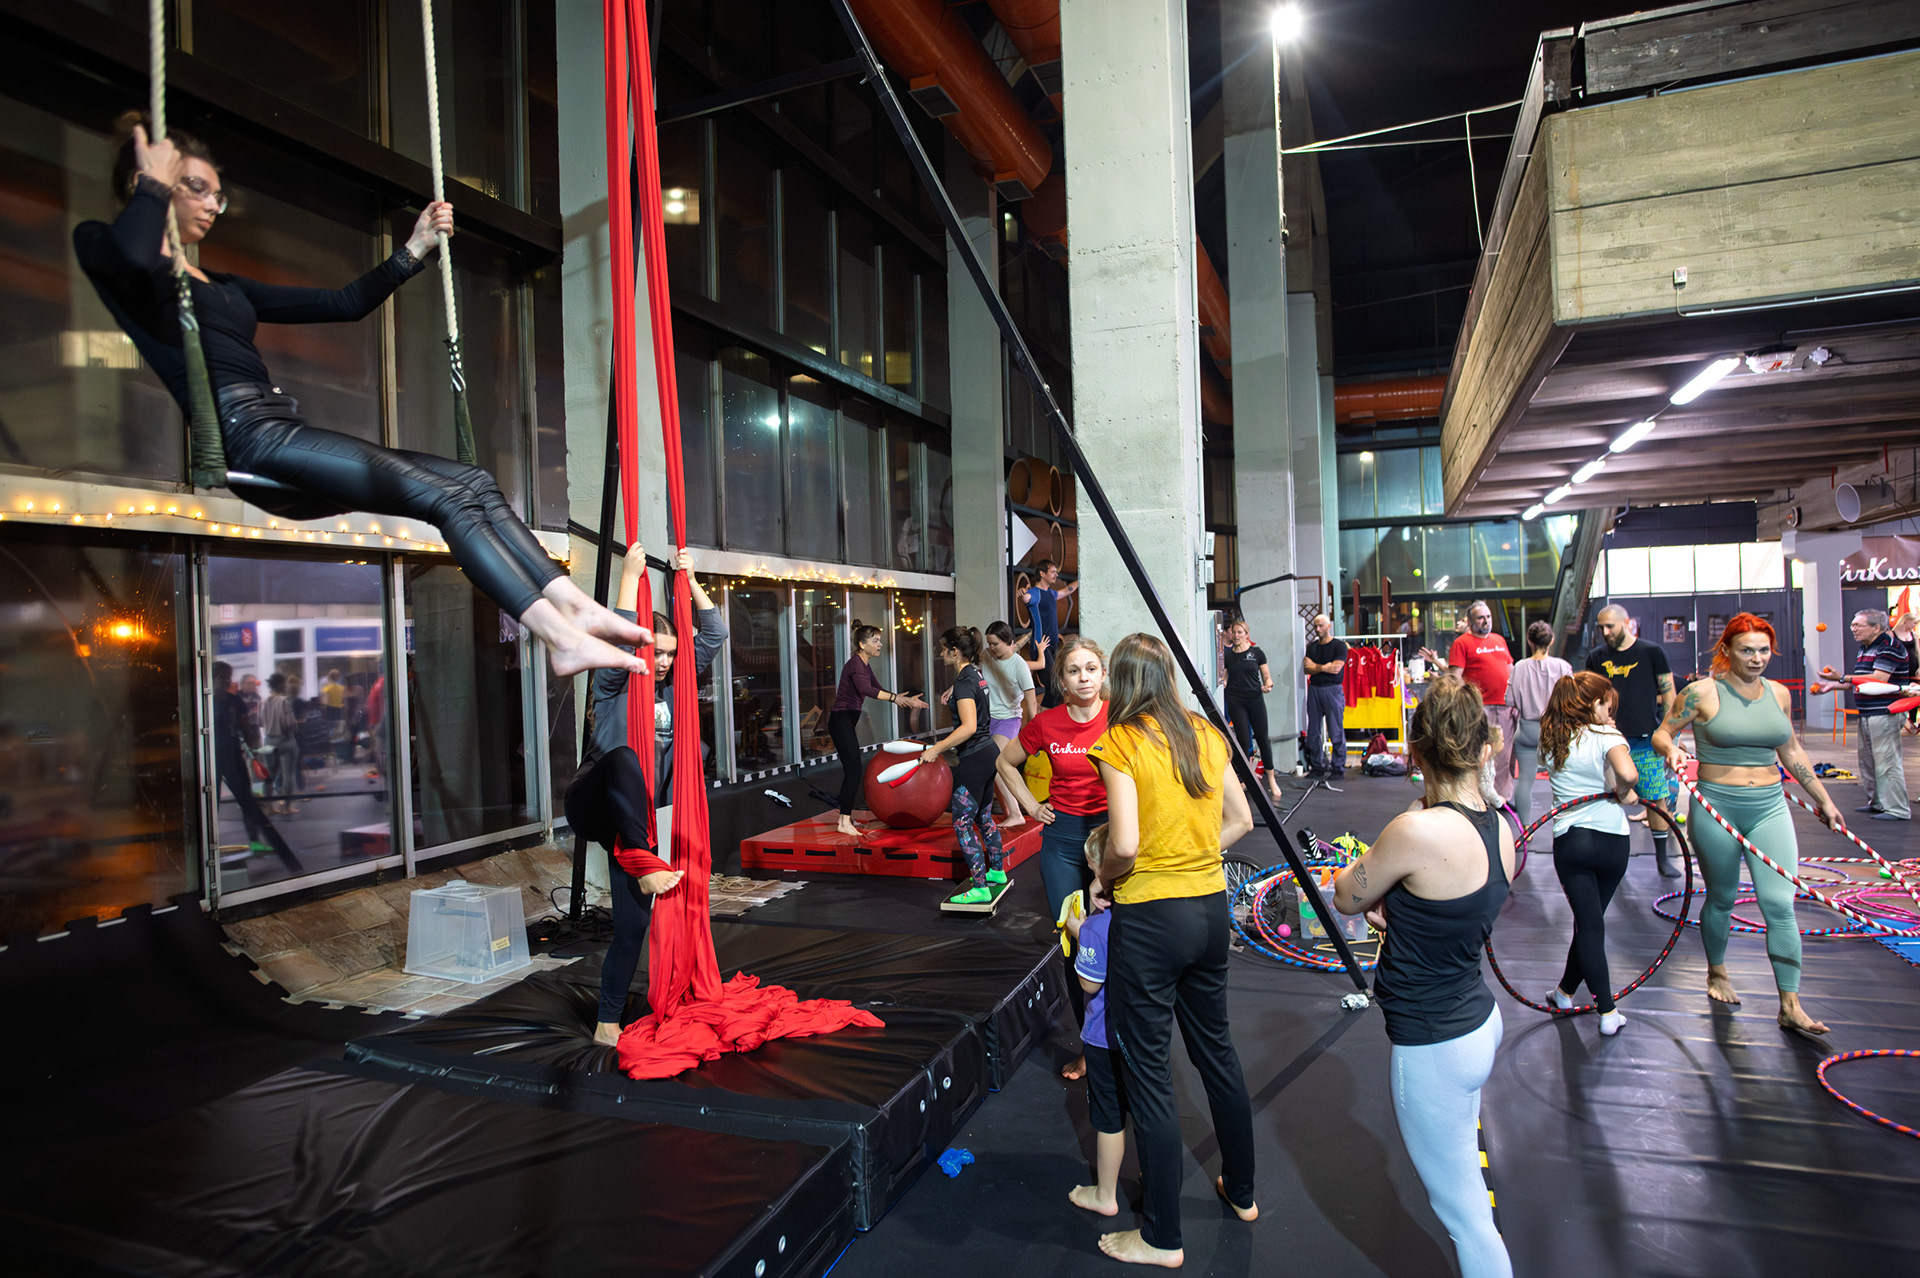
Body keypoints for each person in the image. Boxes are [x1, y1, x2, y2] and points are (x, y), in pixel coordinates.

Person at [74, 114, 647, 679]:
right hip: (247, 439)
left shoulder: (224, 287)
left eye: (217, 196)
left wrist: (415, 248)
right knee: (447, 499)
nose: (211, 206)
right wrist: (152, 184)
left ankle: (573, 605)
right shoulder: (114, 254)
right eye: (196, 188)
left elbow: (343, 303)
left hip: (281, 429)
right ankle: (559, 638)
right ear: (148, 180)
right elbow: (132, 253)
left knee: (474, 482)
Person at [1331, 674, 1514, 1278]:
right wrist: (1403, 912)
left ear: (1416, 752)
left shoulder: (1414, 830)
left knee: (1466, 1217)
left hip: (1435, 1044)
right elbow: (1453, 911)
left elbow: (1347, 896)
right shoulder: (1503, 828)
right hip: (1479, 1020)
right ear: (1483, 749)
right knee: (1465, 1182)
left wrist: (1406, 827)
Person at [1086, 633, 1257, 1267]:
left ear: (1120, 682)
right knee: (1217, 1052)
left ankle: (1160, 1236)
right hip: (1210, 910)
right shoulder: (1206, 734)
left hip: (1152, 918)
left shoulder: (1120, 740)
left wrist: (1104, 880)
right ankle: (1242, 1193)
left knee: (1150, 1074)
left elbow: (1125, 844)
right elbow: (1241, 819)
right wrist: (1193, 853)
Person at [1657, 614, 1846, 1036]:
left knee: (1779, 903)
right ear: (1727, 650)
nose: (1757, 658)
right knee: (1722, 897)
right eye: (1747, 650)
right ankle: (1717, 971)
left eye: (1764, 650)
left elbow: (1791, 751)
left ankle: (1790, 1004)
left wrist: (1824, 800)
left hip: (1770, 807)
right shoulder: (1701, 692)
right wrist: (1672, 750)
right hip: (1717, 806)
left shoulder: (1778, 694)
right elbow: (1662, 733)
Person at [566, 546, 723, 1048]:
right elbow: (614, 640)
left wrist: (691, 580)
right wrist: (628, 577)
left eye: (671, 654)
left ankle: (606, 1022)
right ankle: (641, 859)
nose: (664, 662)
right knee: (625, 759)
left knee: (632, 925)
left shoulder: (676, 687)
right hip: (596, 801)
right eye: (656, 652)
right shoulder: (614, 682)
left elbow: (715, 634)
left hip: (643, 823)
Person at [997, 635, 1110, 1079]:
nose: (1083, 678)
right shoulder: (1046, 723)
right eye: (1073, 671)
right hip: (1063, 842)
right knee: (1077, 943)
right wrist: (1030, 804)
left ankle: (1121, 1040)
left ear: (1102, 674)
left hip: (1110, 840)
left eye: (1091, 669)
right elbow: (1005, 763)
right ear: (1061, 680)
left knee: (1119, 940)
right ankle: (1090, 1046)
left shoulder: (1119, 717)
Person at [1540, 670, 1637, 1035]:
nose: (1610, 714)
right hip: (1613, 841)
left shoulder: (1552, 739)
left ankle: (1585, 1001)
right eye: (1607, 706)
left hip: (1573, 841)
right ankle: (1589, 1003)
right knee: (1590, 925)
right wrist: (1622, 791)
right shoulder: (1606, 736)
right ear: (1594, 704)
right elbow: (1629, 775)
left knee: (1588, 925)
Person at [1585, 604, 1679, 875]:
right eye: (1601, 627)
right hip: (1606, 740)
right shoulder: (1596, 657)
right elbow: (1588, 696)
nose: (1605, 632)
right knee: (1604, 798)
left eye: (1610, 626)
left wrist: (1669, 733)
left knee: (1656, 798)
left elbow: (1669, 693)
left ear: (1626, 623)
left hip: (1644, 740)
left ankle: (1662, 858)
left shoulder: (1651, 652)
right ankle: (1608, 860)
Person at [1063, 826, 1125, 1219]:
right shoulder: (1143, 915)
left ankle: (1105, 1194)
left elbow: (1089, 983)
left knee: (1109, 1117)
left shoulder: (1096, 929)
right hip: (1142, 1034)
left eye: (1091, 867)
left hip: (1103, 1037)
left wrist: (1079, 931)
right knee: (1145, 1110)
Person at [924, 627, 1006, 906]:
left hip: (974, 759)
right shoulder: (975, 675)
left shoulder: (964, 682)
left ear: (954, 651)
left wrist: (936, 748)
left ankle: (980, 887)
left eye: (943, 648)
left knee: (962, 823)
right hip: (988, 754)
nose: (940, 653)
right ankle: (996, 871)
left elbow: (969, 727)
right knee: (983, 818)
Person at [1809, 608, 1911, 821]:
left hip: (1885, 711)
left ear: (1876, 627)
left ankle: (1897, 809)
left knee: (1886, 761)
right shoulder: (1865, 648)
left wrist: (1842, 677)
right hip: (1868, 712)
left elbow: (1878, 680)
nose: (1853, 629)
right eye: (1852, 625)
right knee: (1868, 761)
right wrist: (1832, 685)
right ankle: (1878, 802)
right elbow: (1861, 682)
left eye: (1858, 625)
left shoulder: (1889, 647)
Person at [827, 625, 927, 838]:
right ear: (862, 644)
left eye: (880, 640)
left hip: (847, 720)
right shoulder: (855, 663)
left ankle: (845, 817)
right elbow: (866, 689)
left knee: (853, 770)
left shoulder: (864, 664)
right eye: (875, 641)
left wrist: (906, 700)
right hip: (840, 721)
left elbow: (877, 687)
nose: (880, 644)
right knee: (854, 770)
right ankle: (843, 821)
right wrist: (895, 698)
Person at [210, 661, 300, 871]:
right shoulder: (206, 700)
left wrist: (252, 747)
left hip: (232, 755)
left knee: (247, 800)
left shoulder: (233, 700)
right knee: (211, 803)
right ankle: (207, 846)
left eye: (228, 676)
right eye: (222, 676)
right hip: (212, 756)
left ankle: (255, 841)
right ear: (212, 678)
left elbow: (245, 726)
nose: (226, 680)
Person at [1508, 620, 1572, 830]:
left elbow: (1509, 700)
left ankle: (1526, 828)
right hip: (1556, 730)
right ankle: (1564, 824)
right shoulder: (1563, 667)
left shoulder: (1519, 667)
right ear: (1551, 640)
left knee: (1525, 781)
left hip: (1527, 730)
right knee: (1561, 780)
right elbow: (1571, 701)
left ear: (1529, 641)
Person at [1449, 601, 1516, 804]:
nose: (1486, 621)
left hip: (1504, 707)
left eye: (1488, 617)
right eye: (1480, 618)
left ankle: (1502, 799)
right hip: (1480, 708)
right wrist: (1468, 705)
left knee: (1504, 756)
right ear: (1470, 621)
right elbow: (1455, 678)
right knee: (1479, 756)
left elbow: (1511, 671)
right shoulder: (1462, 643)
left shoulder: (1499, 640)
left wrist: (1515, 701)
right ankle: (1479, 799)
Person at [1219, 618, 1285, 801]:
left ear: (1247, 634)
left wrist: (1268, 685)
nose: (1236, 635)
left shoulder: (1257, 653)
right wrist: (1221, 683)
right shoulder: (1228, 656)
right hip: (1235, 700)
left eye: (1240, 632)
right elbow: (1225, 677)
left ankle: (1271, 779)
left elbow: (1267, 677)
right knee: (1243, 741)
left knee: (1262, 739)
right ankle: (1245, 778)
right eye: (1234, 632)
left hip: (1255, 699)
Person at [982, 621, 1040, 825]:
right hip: (988, 719)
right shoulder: (986, 656)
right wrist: (952, 689)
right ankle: (1009, 811)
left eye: (995, 644)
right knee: (995, 767)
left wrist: (1034, 731)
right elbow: (969, 672)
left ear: (1008, 642)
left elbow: (1032, 701)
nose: (991, 648)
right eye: (989, 643)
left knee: (996, 762)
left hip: (1009, 720)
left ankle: (1017, 814)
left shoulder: (1019, 665)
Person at [1303, 612, 1348, 782]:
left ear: (1329, 626)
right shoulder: (1312, 647)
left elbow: (1336, 669)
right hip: (1315, 689)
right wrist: (1325, 667)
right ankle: (1318, 767)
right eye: (1315, 626)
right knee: (1313, 731)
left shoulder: (1339, 646)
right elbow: (1306, 669)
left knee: (1335, 730)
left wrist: (1316, 667)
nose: (1317, 629)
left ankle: (1338, 767)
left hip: (1332, 689)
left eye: (1321, 625)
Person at [1027, 559, 1079, 707]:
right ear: (1042, 573)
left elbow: (1067, 590)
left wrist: (1081, 579)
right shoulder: (1034, 593)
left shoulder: (1050, 593)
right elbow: (1026, 598)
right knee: (1053, 687)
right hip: (1041, 645)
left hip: (1053, 645)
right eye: (1053, 572)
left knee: (1058, 686)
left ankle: (1049, 715)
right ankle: (1044, 716)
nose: (1056, 575)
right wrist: (1023, 593)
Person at [260, 672, 298, 814]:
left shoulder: (263, 702)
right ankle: (286, 807)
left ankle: (268, 807)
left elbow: (260, 723)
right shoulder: (284, 701)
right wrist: (296, 726)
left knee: (269, 776)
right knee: (288, 775)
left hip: (268, 740)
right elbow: (290, 723)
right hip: (285, 740)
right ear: (281, 684)